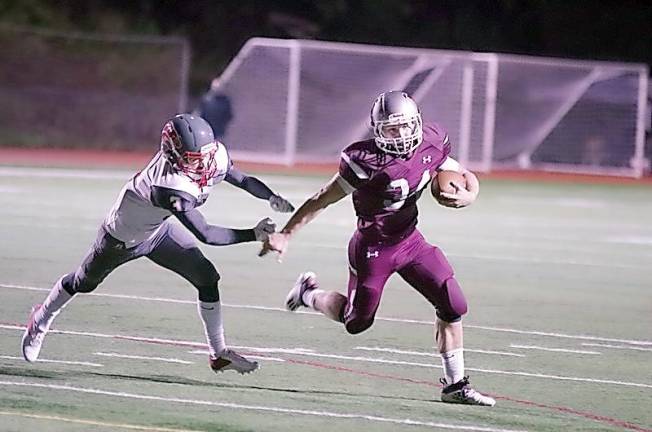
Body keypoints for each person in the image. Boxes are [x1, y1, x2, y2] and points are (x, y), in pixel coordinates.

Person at [260, 91, 495, 405]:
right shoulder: (363, 161)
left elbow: (459, 170)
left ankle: (455, 386)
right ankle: (308, 293)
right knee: (356, 322)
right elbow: (322, 199)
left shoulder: (432, 141)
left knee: (453, 302)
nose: (399, 135)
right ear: (376, 131)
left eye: (404, 126)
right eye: (390, 129)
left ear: (418, 123)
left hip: (411, 242)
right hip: (372, 249)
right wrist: (287, 233)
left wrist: (471, 194)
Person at [22, 114, 295, 374]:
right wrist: (254, 234)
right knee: (83, 283)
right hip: (121, 238)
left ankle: (218, 353)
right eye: (194, 159)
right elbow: (206, 234)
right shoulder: (168, 186)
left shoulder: (211, 157)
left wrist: (270, 196)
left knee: (207, 277)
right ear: (174, 156)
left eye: (205, 156)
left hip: (158, 232)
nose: (203, 165)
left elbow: (241, 177)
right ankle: (42, 316)